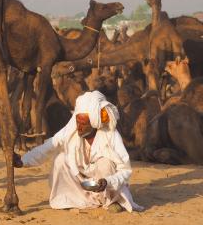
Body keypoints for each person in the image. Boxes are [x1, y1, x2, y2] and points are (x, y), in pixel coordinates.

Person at [13, 91, 143, 213]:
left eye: (83, 123)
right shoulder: (72, 129)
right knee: (60, 159)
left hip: (107, 185)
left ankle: (111, 201)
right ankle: (74, 198)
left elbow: (125, 170)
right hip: (83, 183)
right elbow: (49, 146)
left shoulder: (111, 135)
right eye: (77, 122)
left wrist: (107, 182)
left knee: (105, 163)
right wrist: (24, 161)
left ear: (93, 123)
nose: (79, 127)